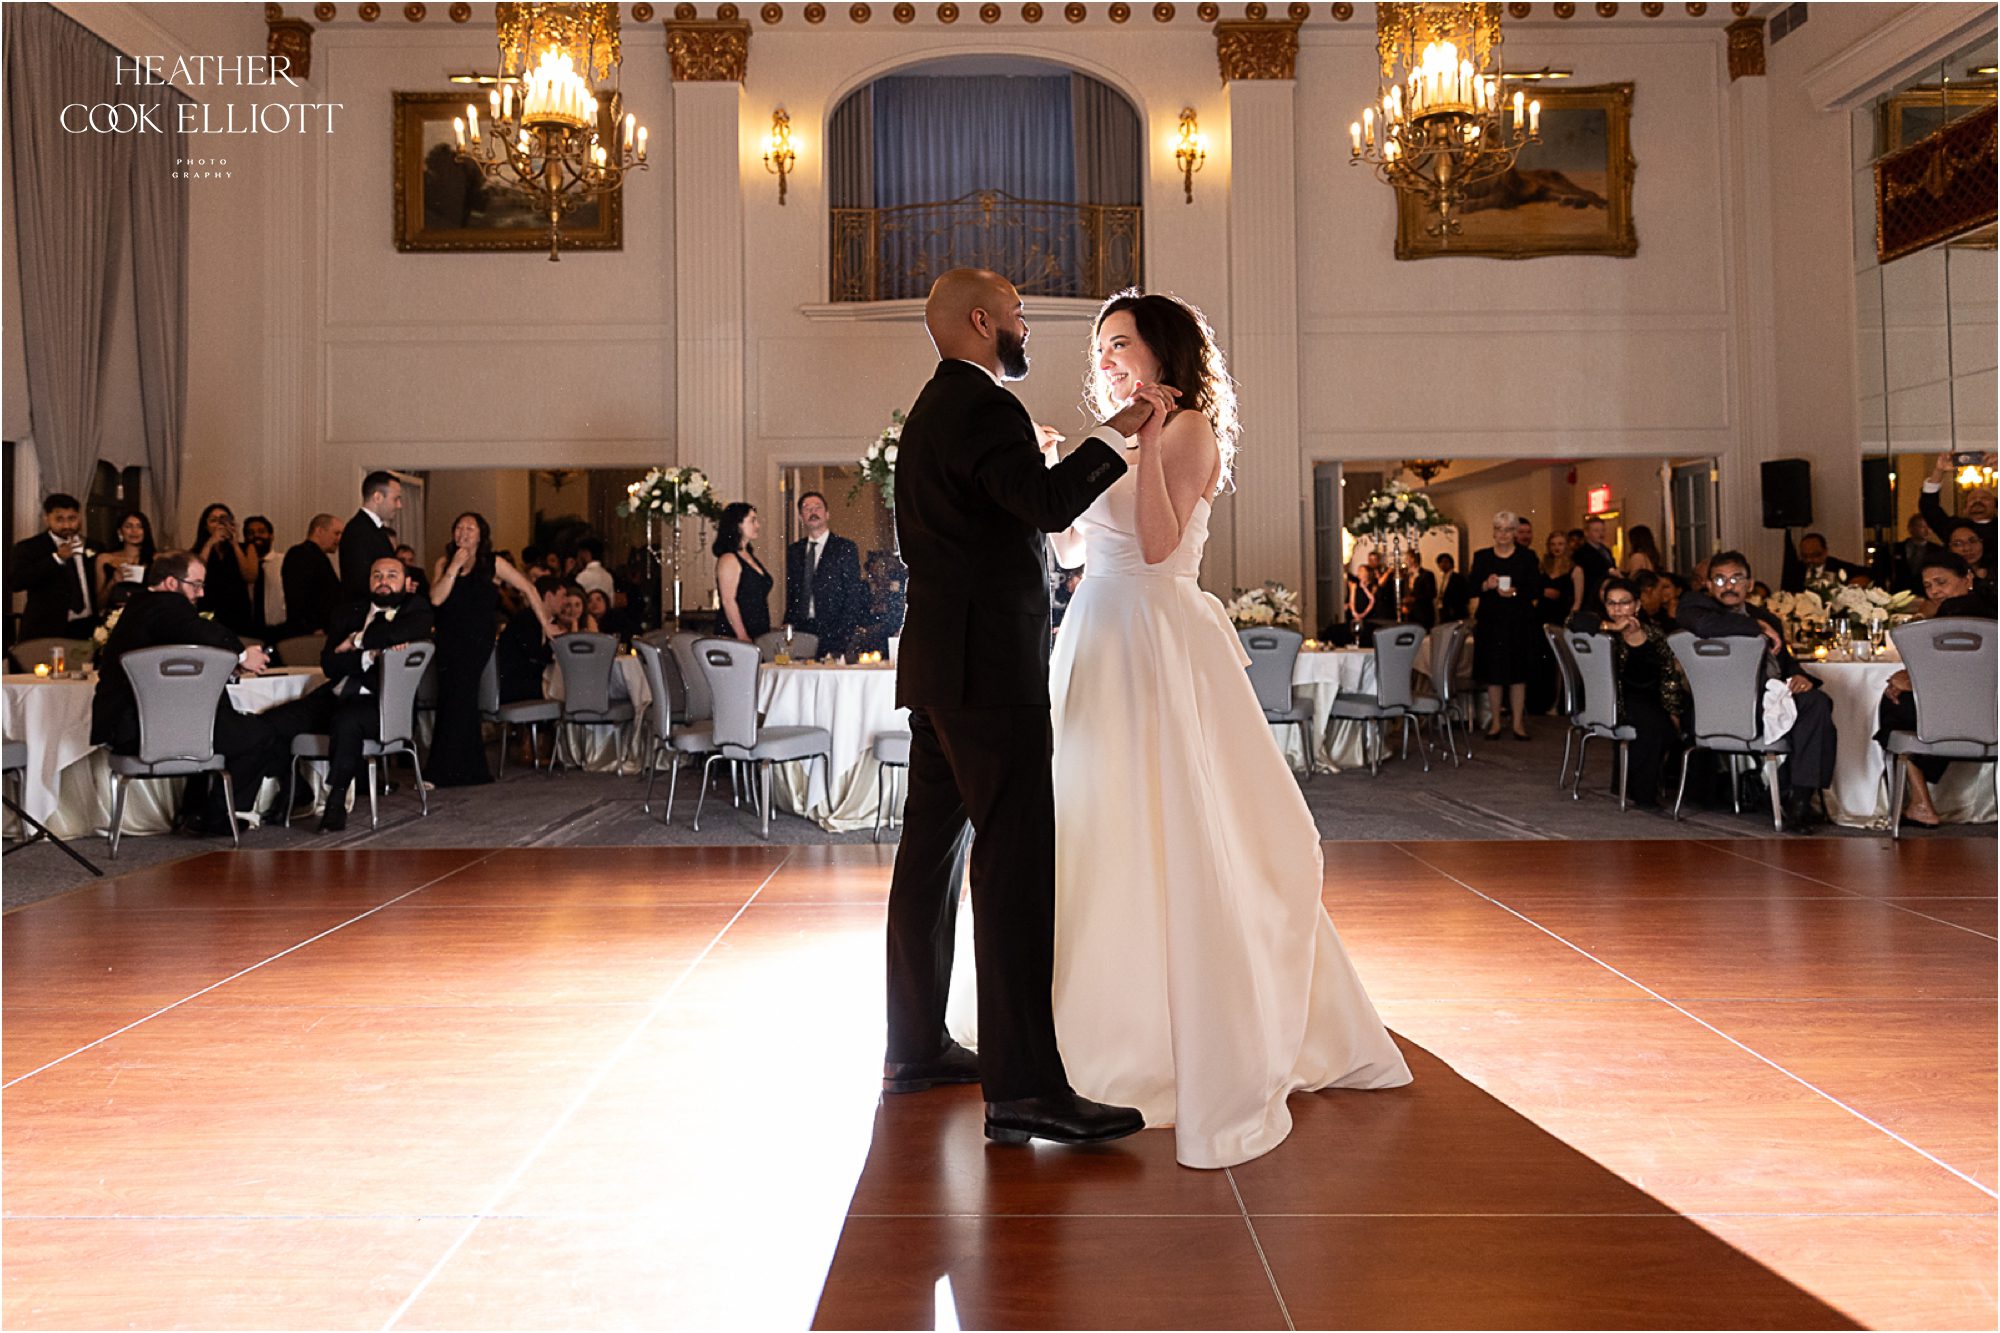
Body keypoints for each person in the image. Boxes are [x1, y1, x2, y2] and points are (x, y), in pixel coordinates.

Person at [962, 286, 1410, 1168]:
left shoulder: (1192, 428)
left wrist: (1151, 436)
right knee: (1090, 821)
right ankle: (1077, 1030)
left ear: (1162, 352)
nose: (1106, 359)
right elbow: (1070, 549)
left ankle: (1195, 1027)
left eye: (1121, 343)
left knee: (1177, 823)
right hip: (1095, 633)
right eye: (1100, 348)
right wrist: (1062, 459)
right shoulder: (1109, 435)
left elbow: (1160, 544)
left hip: (1158, 633)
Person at [884, 267, 1149, 1150]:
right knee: (1014, 867)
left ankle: (916, 1046)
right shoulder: (984, 405)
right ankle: (1026, 1089)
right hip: (990, 672)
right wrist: (1115, 433)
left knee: (930, 861)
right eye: (1019, 314)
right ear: (981, 319)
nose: (1025, 326)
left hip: (938, 666)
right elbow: (1045, 505)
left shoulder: (932, 411)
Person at [89, 551, 282, 834]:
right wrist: (242, 655)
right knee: (259, 735)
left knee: (221, 729)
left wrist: (230, 667)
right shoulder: (165, 605)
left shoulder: (142, 607)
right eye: (196, 584)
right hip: (146, 730)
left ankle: (194, 813)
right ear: (171, 583)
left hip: (133, 729)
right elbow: (202, 632)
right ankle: (217, 817)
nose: (201, 593)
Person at [1676, 550, 1837, 829]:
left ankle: (1798, 798)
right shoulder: (1696, 607)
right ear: (1709, 585)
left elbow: (1785, 662)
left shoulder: (1768, 618)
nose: (1728, 586)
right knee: (1813, 709)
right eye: (1720, 579)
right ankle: (1786, 792)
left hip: (1768, 698)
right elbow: (1705, 624)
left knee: (1817, 702)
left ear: (1749, 584)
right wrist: (1755, 626)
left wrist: (1800, 677)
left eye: (1736, 579)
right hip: (1725, 704)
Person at [298, 557, 436, 833]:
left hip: (380, 705)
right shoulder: (347, 612)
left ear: (407, 583)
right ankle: (292, 796)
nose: (383, 581)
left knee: (346, 722)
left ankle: (336, 802)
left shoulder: (415, 608)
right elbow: (330, 665)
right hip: (336, 696)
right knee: (274, 722)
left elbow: (404, 630)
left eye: (392, 575)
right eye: (377, 575)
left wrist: (356, 641)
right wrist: (369, 655)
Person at [427, 511, 550, 786]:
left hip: (476, 640)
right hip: (448, 639)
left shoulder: (493, 563)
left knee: (462, 695)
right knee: (450, 698)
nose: (463, 533)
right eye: (459, 527)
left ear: (481, 535)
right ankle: (461, 769)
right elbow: (436, 599)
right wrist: (454, 567)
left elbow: (528, 589)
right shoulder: (444, 562)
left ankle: (448, 771)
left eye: (470, 528)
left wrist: (545, 623)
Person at [1876, 551, 1997, 828]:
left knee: (1894, 705)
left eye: (1941, 582)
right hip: (1992, 716)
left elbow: (1953, 671)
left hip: (1959, 714)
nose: (1934, 591)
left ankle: (1920, 804)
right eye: (1928, 586)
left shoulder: (1954, 613)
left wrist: (1909, 681)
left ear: (1968, 578)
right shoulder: (1991, 609)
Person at [1594, 577, 1686, 807]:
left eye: (1624, 602)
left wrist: (1673, 709)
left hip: (1654, 697)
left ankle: (1684, 788)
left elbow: (1668, 673)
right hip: (1619, 699)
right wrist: (1611, 627)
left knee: (1685, 722)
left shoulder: (1653, 633)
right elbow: (1572, 621)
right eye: (1611, 603)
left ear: (1637, 605)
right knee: (1654, 727)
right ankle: (1642, 793)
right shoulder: (1603, 633)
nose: (1617, 609)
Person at [1470, 510, 1544, 740]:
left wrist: (1515, 592)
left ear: (1515, 533)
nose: (1503, 534)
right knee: (1493, 675)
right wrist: (1486, 585)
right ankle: (1495, 723)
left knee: (1518, 674)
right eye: (1499, 529)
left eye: (1508, 530)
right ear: (1494, 532)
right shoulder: (1482, 557)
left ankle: (1518, 723)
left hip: (1519, 622)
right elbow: (1470, 587)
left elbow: (1536, 588)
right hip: (1491, 623)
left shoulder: (1527, 557)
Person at [785, 491, 866, 657]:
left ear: (827, 514)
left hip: (835, 631)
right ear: (801, 517)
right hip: (802, 630)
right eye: (807, 508)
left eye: (818, 507)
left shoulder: (845, 548)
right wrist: (788, 623)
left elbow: (853, 592)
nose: (813, 512)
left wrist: (846, 630)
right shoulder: (794, 551)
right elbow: (792, 592)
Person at [9, 493, 96, 641]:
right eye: (59, 519)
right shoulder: (29, 547)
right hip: (46, 629)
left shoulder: (93, 546)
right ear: (46, 519)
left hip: (85, 628)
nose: (67, 525)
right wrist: (56, 558)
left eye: (72, 518)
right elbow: (16, 582)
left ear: (80, 518)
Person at [192, 503, 261, 637]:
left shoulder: (247, 548)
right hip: (208, 610)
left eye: (223, 519)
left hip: (238, 611)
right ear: (205, 526)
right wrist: (210, 543)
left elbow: (250, 576)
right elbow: (196, 575)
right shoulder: (198, 551)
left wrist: (235, 544)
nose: (220, 524)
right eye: (214, 520)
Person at [496, 575, 565, 704]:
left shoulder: (552, 623)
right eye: (562, 596)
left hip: (529, 681)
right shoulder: (525, 619)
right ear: (549, 596)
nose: (565, 602)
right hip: (514, 685)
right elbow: (534, 652)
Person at [713, 503, 774, 643]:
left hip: (756, 633)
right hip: (737, 636)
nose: (757, 525)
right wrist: (742, 636)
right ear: (738, 524)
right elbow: (728, 601)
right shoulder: (729, 558)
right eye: (752, 520)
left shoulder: (748, 555)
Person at [1919, 451, 1995, 561]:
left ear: (1995, 505)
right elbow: (1929, 507)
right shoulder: (1953, 527)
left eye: (1985, 498)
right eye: (1972, 499)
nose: (1978, 501)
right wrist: (1939, 471)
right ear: (1965, 508)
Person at [340, 470, 402, 600]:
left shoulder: (372, 529)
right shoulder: (358, 531)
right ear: (377, 497)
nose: (399, 505)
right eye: (396, 499)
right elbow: (359, 582)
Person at [281, 513, 345, 638]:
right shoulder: (300, 555)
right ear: (319, 531)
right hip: (309, 634)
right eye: (336, 533)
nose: (339, 539)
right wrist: (313, 627)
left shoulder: (316, 556)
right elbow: (298, 595)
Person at [93, 510, 156, 611]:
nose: (134, 531)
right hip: (114, 615)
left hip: (146, 614)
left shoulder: (155, 559)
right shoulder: (104, 559)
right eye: (128, 526)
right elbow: (99, 604)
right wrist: (112, 582)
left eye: (139, 526)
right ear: (120, 531)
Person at [1781, 530, 1868, 593]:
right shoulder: (1794, 571)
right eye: (1805, 556)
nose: (1809, 560)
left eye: (1815, 555)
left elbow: (1867, 574)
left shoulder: (1838, 567)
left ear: (1825, 552)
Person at [244, 515, 280, 635]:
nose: (256, 536)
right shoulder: (242, 567)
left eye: (261, 531)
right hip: (248, 630)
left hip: (278, 629)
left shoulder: (284, 562)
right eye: (251, 533)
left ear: (271, 536)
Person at [1572, 514, 1616, 613]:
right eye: (1596, 531)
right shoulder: (1581, 553)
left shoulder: (1606, 550)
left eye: (1603, 530)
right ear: (1586, 533)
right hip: (1590, 595)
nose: (1601, 534)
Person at [1396, 547, 1437, 628]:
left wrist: (1414, 599)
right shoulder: (1406, 575)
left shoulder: (1427, 574)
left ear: (1413, 559)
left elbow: (1432, 593)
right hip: (1410, 614)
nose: (1406, 560)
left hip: (1423, 612)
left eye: (1407, 558)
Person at [1942, 521, 1991, 586]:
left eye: (1973, 541)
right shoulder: (1945, 578)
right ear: (1949, 548)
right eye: (1958, 544)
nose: (1967, 548)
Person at [1437, 551, 1470, 623]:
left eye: (1445, 562)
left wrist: (1454, 608)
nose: (1442, 564)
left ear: (1451, 563)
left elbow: (1464, 595)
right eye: (1440, 562)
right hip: (1444, 611)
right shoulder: (1443, 578)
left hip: (1455, 612)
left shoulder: (1458, 578)